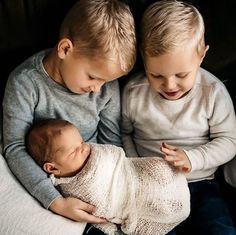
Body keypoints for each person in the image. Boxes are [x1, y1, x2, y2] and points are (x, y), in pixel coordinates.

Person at [2, 0, 136, 231]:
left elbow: (110, 143)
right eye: (93, 77)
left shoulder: (106, 88)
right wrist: (56, 202)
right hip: (41, 177)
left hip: (92, 174)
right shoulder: (25, 83)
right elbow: (14, 147)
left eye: (107, 80)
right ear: (65, 49)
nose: (98, 88)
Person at [121, 0, 236, 234]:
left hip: (201, 185)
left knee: (221, 229)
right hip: (152, 187)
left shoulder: (212, 92)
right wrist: (137, 166)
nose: (169, 85)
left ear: (201, 56)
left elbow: (230, 142)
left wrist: (192, 159)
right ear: (143, 58)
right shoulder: (134, 92)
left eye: (181, 74)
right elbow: (124, 133)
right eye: (156, 75)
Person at [26, 118, 190, 235]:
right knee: (153, 212)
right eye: (75, 151)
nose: (84, 148)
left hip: (130, 174)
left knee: (158, 168)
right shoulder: (67, 188)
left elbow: (118, 158)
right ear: (52, 167)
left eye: (81, 142)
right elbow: (99, 212)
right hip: (127, 203)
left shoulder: (93, 154)